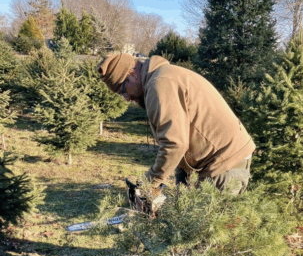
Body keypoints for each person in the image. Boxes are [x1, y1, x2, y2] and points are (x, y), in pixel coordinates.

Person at [97, 54, 255, 195]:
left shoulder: (160, 84)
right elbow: (182, 138)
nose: (125, 98)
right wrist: (182, 185)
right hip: (221, 160)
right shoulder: (161, 77)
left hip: (225, 163)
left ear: (131, 74)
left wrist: (149, 183)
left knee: (209, 227)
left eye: (122, 90)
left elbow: (174, 144)